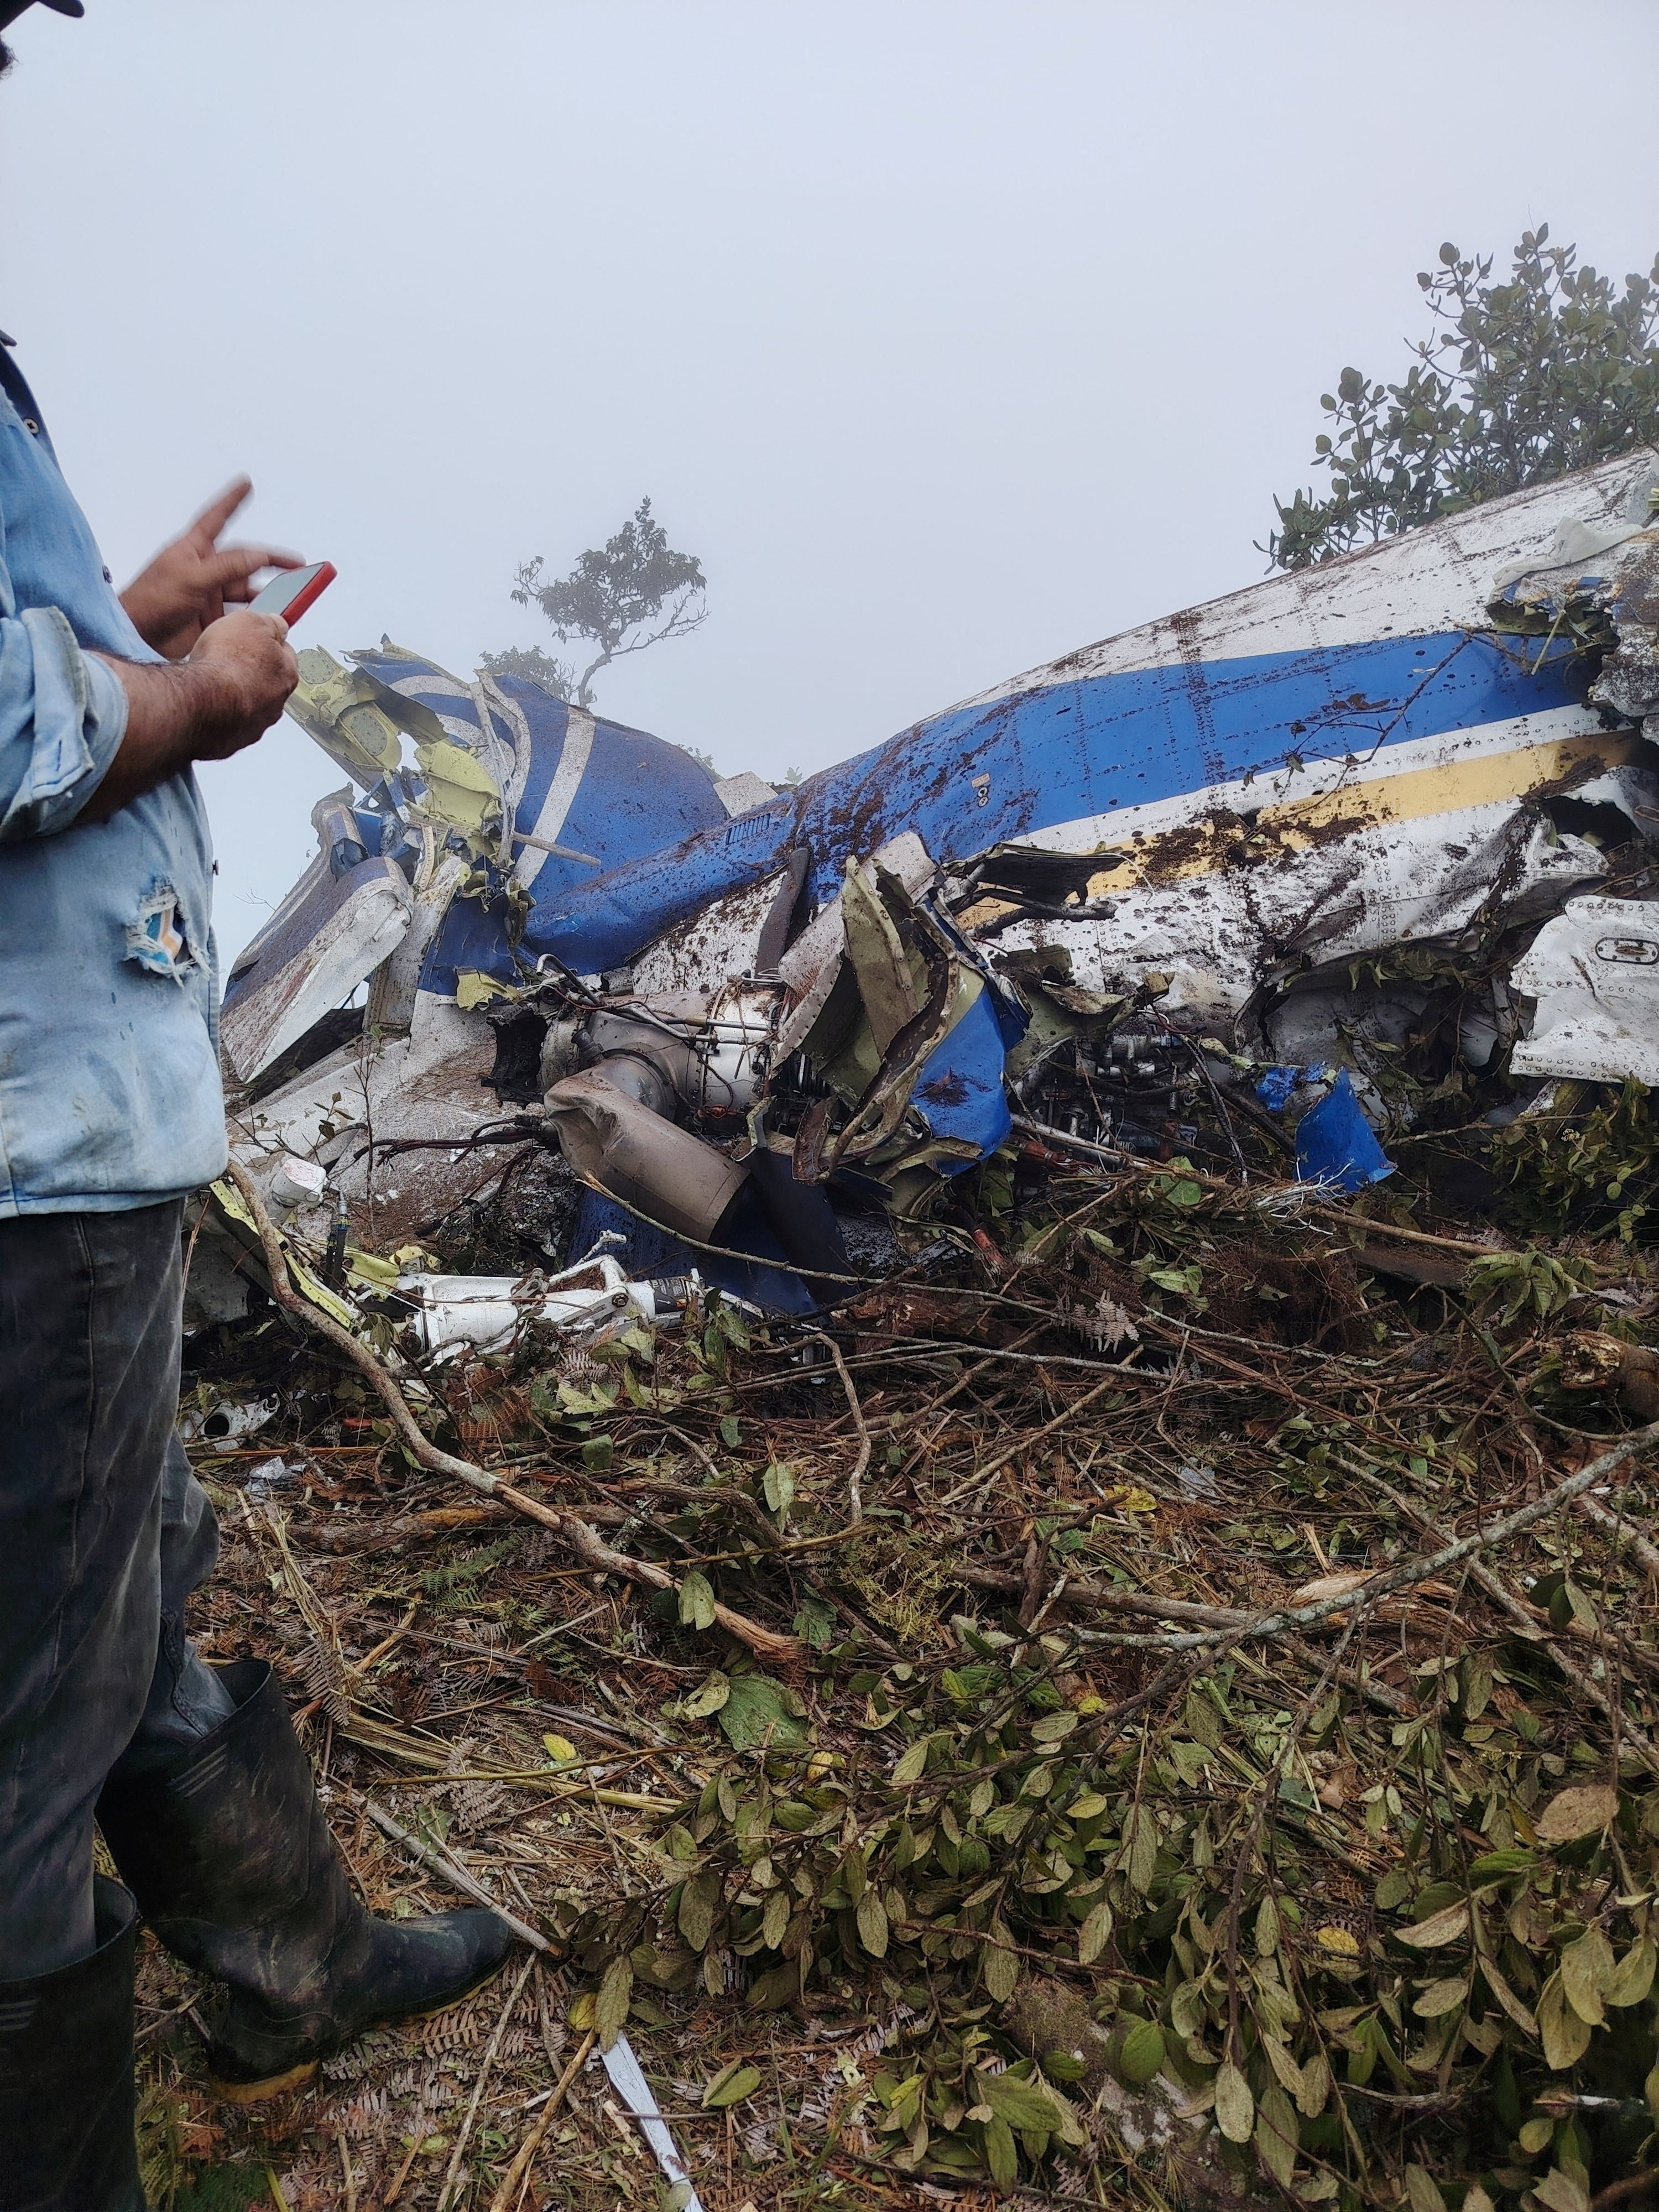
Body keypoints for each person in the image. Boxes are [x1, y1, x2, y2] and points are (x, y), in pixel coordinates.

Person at [0, 7, 513, 2206]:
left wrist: (113, 626)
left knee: (126, 1585)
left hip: (70, 1143)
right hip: (33, 1165)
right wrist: (188, 700)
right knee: (23, 1730)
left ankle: (294, 1963)